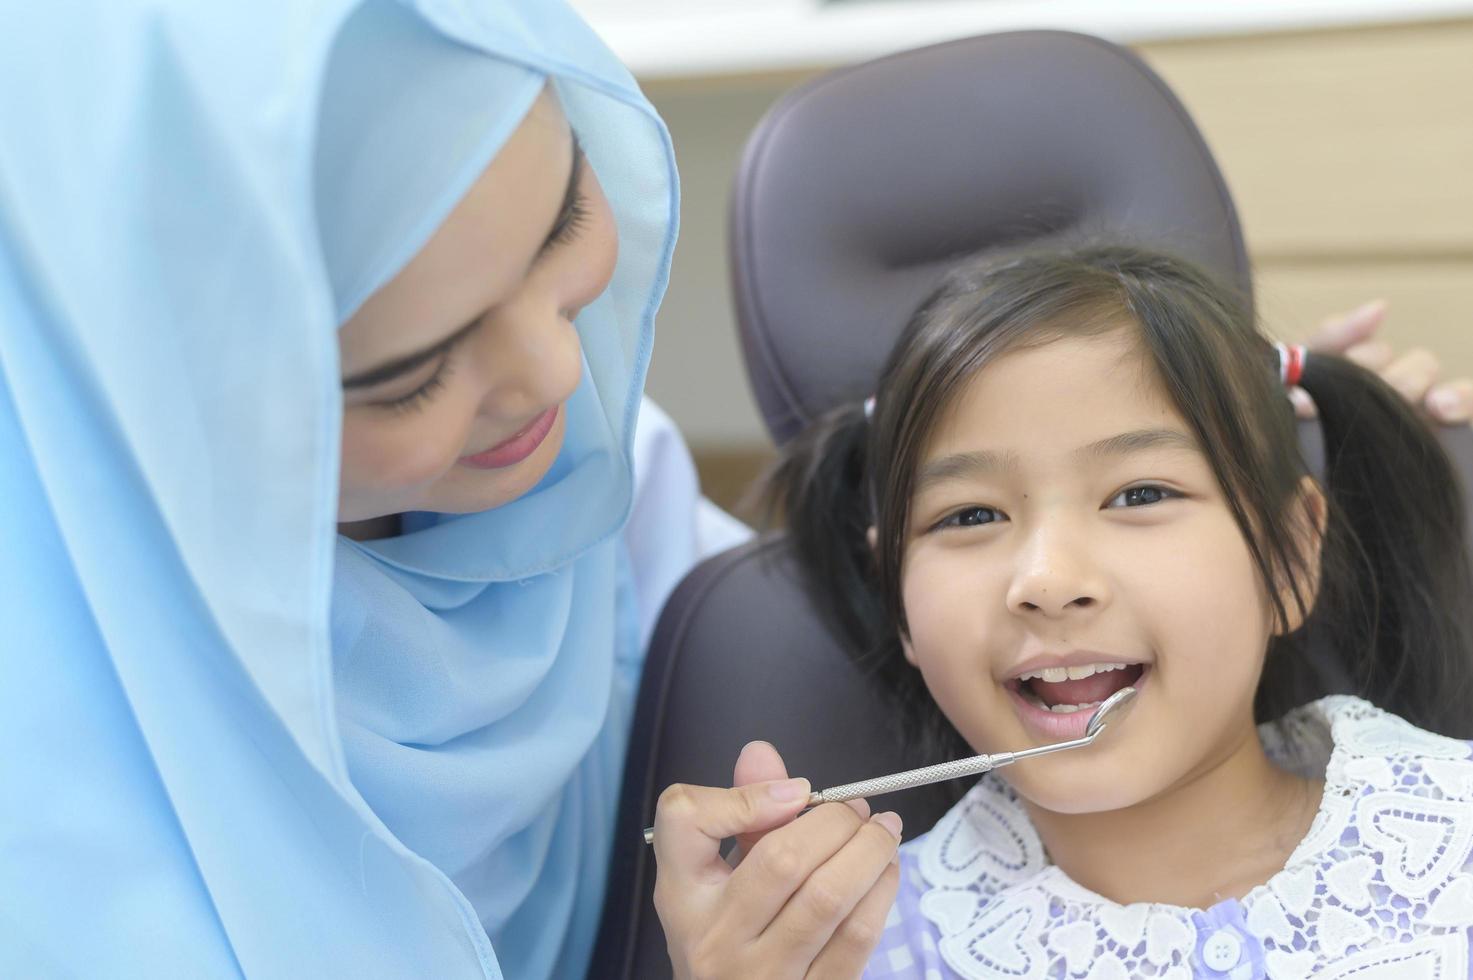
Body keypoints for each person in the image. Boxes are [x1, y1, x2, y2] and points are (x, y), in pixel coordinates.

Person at [0, 1, 749, 977]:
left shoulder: (575, 471)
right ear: (156, 395)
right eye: (414, 373)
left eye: (563, 219)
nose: (557, 368)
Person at [711, 241, 1471, 978]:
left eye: (1139, 494)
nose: (1045, 580)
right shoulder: (838, 953)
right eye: (969, 515)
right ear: (896, 599)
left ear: (1289, 553)